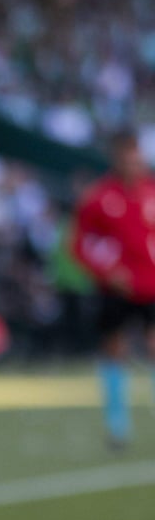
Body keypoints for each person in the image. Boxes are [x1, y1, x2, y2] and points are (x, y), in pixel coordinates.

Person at [71, 131, 155, 451]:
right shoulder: (99, 197)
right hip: (117, 288)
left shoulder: (151, 191)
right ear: (116, 159)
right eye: (128, 159)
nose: (135, 164)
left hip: (152, 284)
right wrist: (107, 272)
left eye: (137, 158)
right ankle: (117, 425)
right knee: (114, 350)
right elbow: (80, 244)